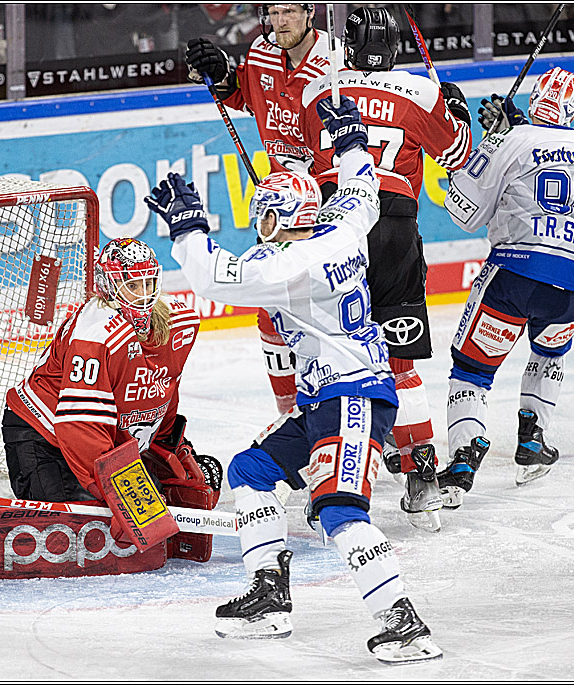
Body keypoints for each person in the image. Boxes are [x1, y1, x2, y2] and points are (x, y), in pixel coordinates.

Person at [145, 94, 441, 663]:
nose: (261, 227)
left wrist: (187, 230)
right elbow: (362, 194)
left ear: (291, 218)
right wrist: (352, 140)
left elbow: (212, 277)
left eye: (267, 216)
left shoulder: (289, 266)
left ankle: (402, 621)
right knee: (250, 470)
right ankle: (268, 595)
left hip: (352, 397)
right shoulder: (341, 232)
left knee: (340, 511)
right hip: (328, 399)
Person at [0, 238, 220, 580]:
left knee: (192, 481)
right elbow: (79, 429)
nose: (143, 295)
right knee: (82, 527)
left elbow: (161, 390)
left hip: (107, 436)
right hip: (45, 438)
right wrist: (118, 495)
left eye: (148, 283)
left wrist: (170, 451)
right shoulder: (97, 333)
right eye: (132, 286)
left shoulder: (179, 324)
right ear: (108, 288)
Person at [296, 7, 474, 531]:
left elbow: (307, 159)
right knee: (400, 362)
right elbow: (459, 154)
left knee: (329, 358)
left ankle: (324, 483)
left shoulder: (318, 91)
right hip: (395, 231)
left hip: (339, 227)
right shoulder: (420, 92)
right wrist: (456, 113)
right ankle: (421, 479)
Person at [438, 67, 574, 507]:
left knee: (471, 369)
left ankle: (465, 458)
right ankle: (533, 440)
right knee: (549, 352)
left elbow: (463, 212)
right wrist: (510, 134)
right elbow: (539, 150)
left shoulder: (512, 139)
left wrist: (485, 144)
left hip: (516, 275)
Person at [185, 4, 330, 419]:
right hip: (281, 208)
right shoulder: (263, 51)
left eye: (290, 11)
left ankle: (362, 397)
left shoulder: (334, 65)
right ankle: (291, 415)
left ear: (310, 12)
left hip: (328, 208)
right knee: (272, 314)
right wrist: (219, 74)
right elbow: (245, 96)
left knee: (334, 314)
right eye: (274, 12)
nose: (280, 21)